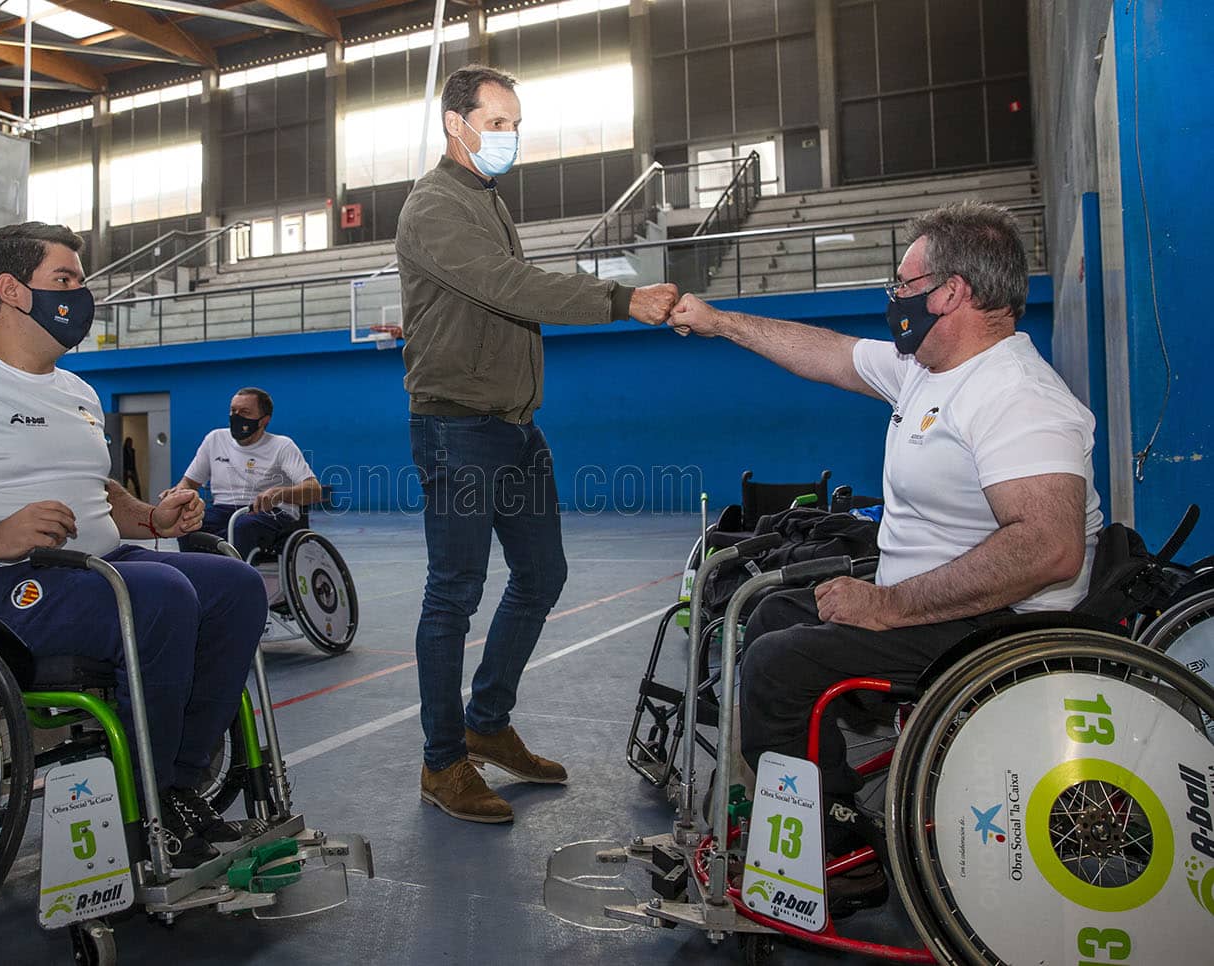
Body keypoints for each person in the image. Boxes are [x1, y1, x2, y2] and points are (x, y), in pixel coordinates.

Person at [669, 201, 1101, 910]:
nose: (893, 298)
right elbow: (832, 355)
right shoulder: (932, 369)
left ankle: (841, 848)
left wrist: (890, 604)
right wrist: (720, 322)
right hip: (943, 603)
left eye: (904, 283)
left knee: (778, 666)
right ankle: (793, 809)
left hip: (999, 627)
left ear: (951, 292)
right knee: (772, 613)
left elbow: (1048, 548)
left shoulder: (1018, 397)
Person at [0, 222, 267, 867]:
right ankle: (143, 807)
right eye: (65, 280)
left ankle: (177, 786)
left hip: (89, 569)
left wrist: (153, 520)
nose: (81, 294)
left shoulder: (77, 391)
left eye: (80, 281)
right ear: (11, 290)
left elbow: (99, 495)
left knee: (233, 585)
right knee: (156, 594)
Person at [395, 63, 679, 824]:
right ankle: (441, 762)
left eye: (515, 124)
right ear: (456, 124)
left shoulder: (486, 199)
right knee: (452, 592)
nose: (509, 137)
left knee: (542, 574)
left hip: (514, 428)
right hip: (458, 426)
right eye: (497, 123)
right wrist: (620, 298)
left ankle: (488, 721)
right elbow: (509, 288)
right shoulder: (434, 207)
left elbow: (501, 295)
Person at [172, 387, 322, 558]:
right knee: (187, 524)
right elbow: (189, 482)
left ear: (264, 420)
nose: (236, 416)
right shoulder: (215, 439)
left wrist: (279, 493)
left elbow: (315, 490)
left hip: (269, 512)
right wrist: (180, 492)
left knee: (242, 527)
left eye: (244, 412)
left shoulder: (282, 446)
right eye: (233, 410)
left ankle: (236, 579)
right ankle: (199, 574)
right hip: (223, 510)